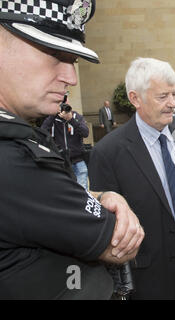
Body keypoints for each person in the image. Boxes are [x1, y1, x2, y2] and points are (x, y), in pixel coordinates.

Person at [0, 0, 144, 299]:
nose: (71, 78)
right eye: (53, 54)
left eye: (73, 60)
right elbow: (115, 246)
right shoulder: (14, 158)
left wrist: (102, 195)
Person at [88, 57, 175, 299]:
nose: (172, 104)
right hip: (142, 266)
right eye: (162, 96)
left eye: (174, 94)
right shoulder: (108, 152)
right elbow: (107, 225)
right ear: (135, 98)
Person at [41, 99, 90, 189]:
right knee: (64, 190)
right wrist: (53, 114)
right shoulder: (53, 119)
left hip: (78, 161)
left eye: (66, 104)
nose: (64, 106)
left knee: (83, 192)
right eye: (61, 104)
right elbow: (43, 131)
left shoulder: (76, 117)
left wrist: (71, 120)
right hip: (61, 162)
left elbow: (85, 133)